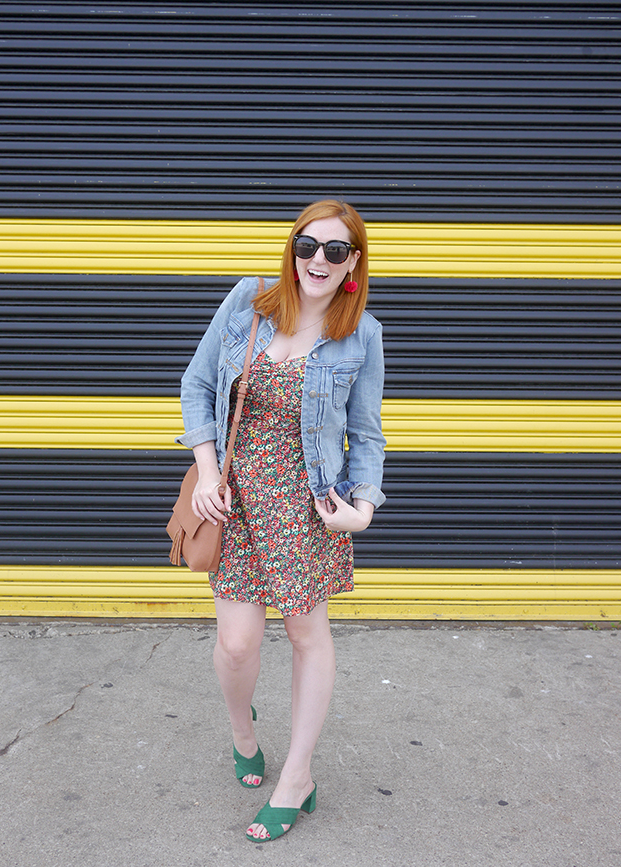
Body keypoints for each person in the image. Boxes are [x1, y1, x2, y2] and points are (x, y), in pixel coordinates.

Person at [176, 199, 386, 842]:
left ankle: (297, 777)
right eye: (307, 246)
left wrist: (363, 511)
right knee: (237, 644)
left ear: (352, 263)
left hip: (307, 508)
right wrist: (208, 473)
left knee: (306, 636)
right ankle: (244, 731)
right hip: (235, 500)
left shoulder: (362, 334)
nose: (317, 260)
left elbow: (366, 434)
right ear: (292, 250)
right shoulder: (249, 301)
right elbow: (196, 385)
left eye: (334, 250)